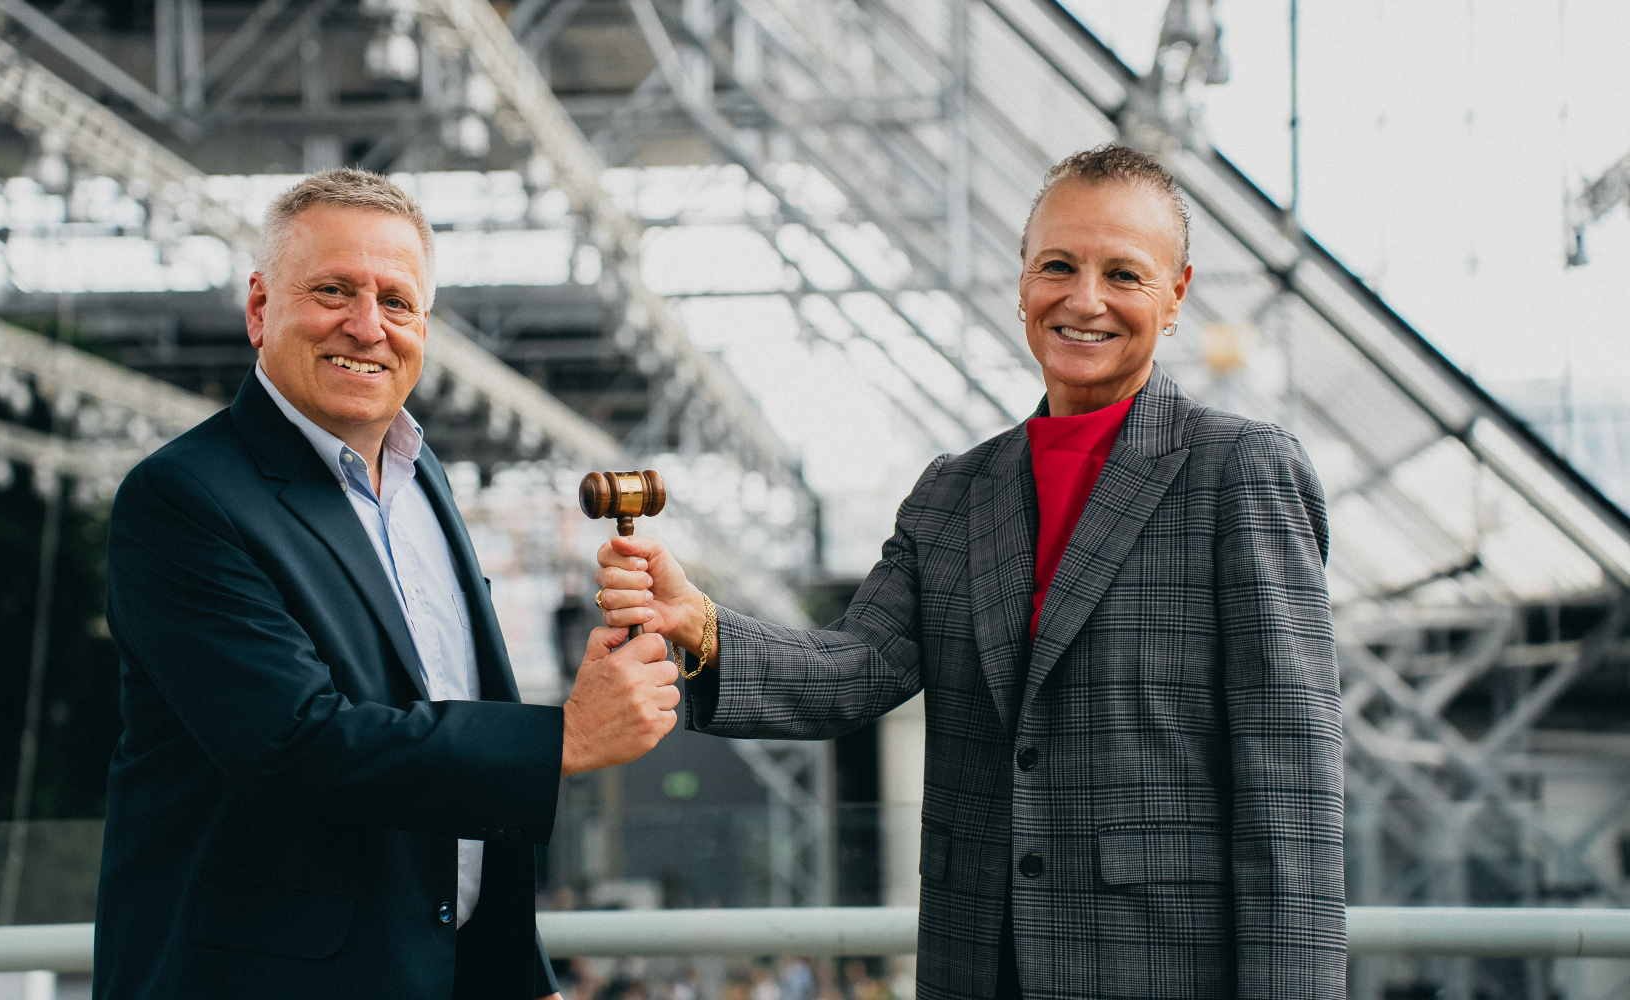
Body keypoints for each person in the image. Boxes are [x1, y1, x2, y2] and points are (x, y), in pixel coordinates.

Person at [595, 144, 1344, 999]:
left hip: (1163, 970)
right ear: (1022, 283)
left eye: (1124, 274)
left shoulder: (1239, 472)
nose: (1084, 299)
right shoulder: (955, 492)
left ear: (1176, 295)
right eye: (1057, 266)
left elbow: (1290, 792)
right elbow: (857, 668)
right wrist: (700, 622)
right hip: (976, 962)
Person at [96, 168, 679, 999]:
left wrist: (516, 971)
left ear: (424, 325)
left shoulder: (418, 477)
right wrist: (566, 741)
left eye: (396, 302)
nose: (367, 326)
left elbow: (452, 711)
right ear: (260, 308)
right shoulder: (184, 498)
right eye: (333, 290)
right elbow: (294, 745)